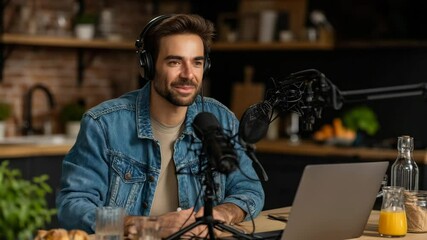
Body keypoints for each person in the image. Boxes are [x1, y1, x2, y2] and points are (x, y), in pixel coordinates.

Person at [56, 14, 264, 238]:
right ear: (149, 65)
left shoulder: (221, 119)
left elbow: (249, 190)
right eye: (174, 62)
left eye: (197, 62)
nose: (188, 75)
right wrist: (146, 226)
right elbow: (72, 208)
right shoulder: (104, 124)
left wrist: (224, 213)